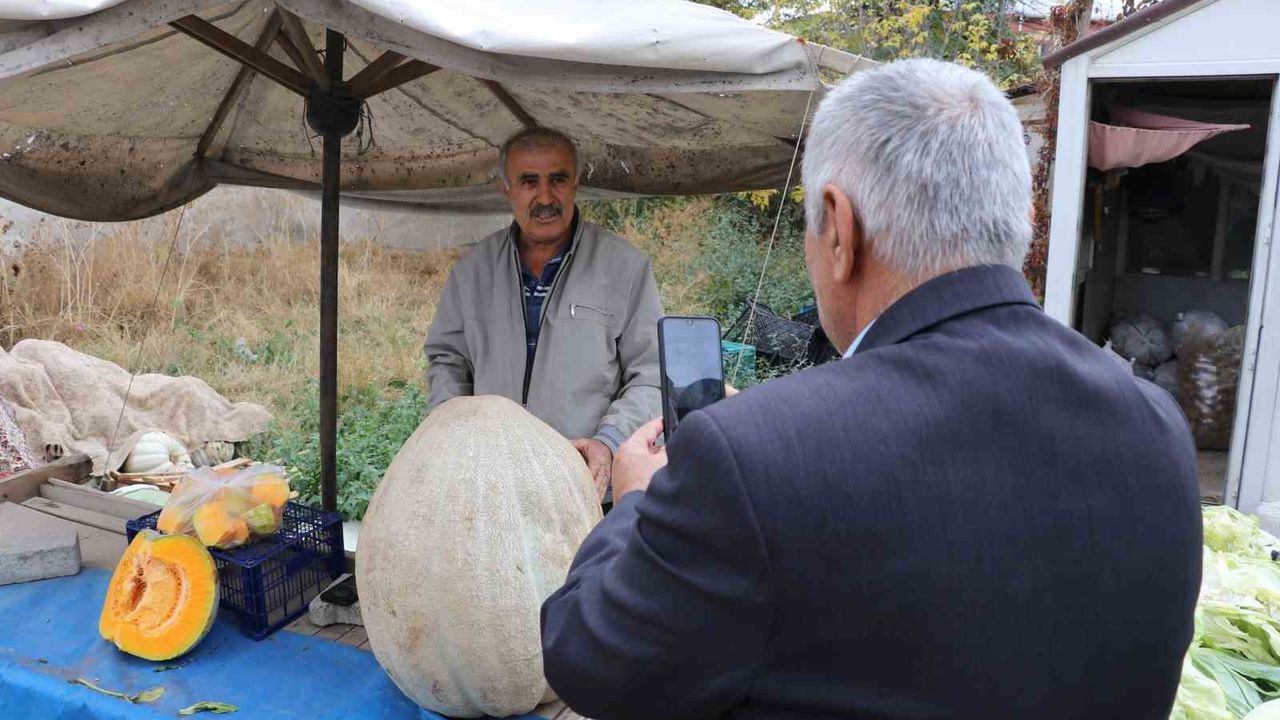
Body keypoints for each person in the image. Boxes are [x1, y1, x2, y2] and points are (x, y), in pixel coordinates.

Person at [541, 59, 1201, 720]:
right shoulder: (1157, 424)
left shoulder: (754, 457)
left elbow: (593, 662)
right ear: (1021, 215)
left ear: (838, 227)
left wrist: (637, 499)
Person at [424, 127, 663, 499]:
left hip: (584, 486)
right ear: (506, 188)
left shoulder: (625, 268)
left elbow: (652, 375)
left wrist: (608, 441)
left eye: (558, 180)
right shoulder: (473, 270)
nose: (546, 197)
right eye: (529, 182)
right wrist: (454, 434)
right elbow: (448, 360)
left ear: (576, 184)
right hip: (493, 484)